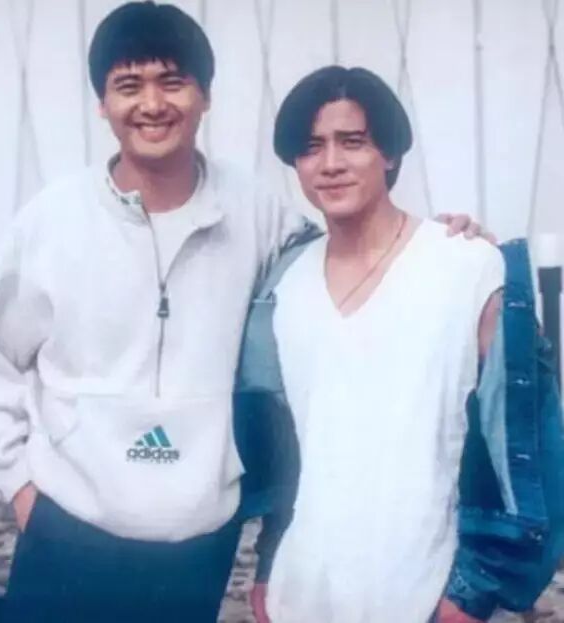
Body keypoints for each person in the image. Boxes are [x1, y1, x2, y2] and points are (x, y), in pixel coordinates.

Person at [0, 3, 486, 622]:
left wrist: (442, 242)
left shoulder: (257, 213)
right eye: (129, 85)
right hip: (67, 537)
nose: (152, 104)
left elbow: (354, 253)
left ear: (205, 96)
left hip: (198, 553)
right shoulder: (52, 222)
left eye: (172, 81)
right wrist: (19, 486)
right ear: (102, 103)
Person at [235, 66, 564, 623]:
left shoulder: (467, 265)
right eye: (311, 147)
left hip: (423, 596)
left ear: (389, 153)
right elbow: (285, 449)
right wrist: (269, 567)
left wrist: (474, 592)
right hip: (301, 594)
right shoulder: (284, 285)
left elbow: (532, 444)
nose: (331, 163)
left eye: (352, 141)